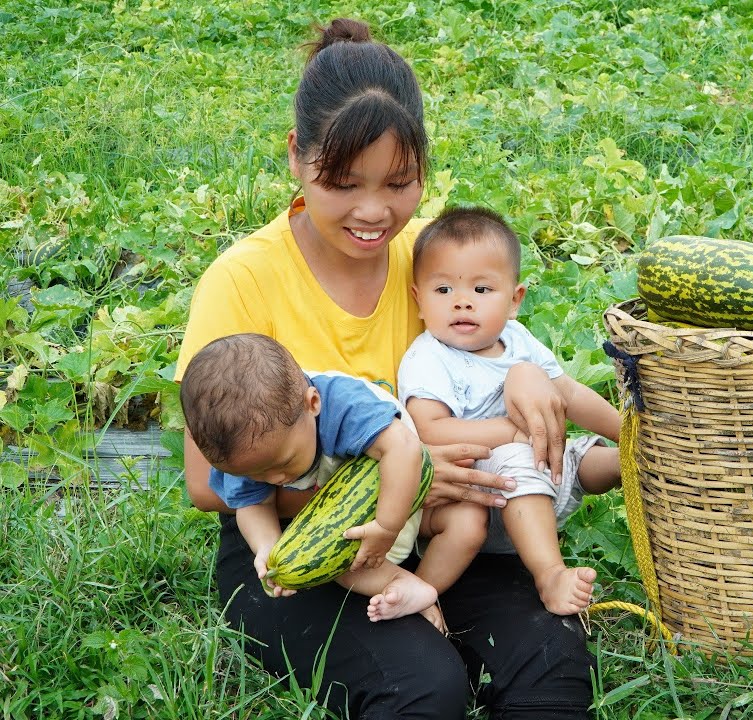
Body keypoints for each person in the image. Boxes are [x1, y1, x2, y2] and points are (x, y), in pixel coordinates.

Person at [175, 18, 593, 719]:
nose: (374, 212)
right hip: (302, 545)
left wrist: (524, 372)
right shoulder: (242, 279)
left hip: (445, 529)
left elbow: (500, 348)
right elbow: (203, 482)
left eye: (399, 183)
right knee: (423, 688)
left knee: (551, 665)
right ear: (296, 160)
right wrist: (400, 469)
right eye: (342, 183)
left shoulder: (428, 270)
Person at [399, 207, 621, 616]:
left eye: (481, 290)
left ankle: (638, 461)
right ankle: (550, 573)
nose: (462, 303)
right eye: (443, 290)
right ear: (419, 300)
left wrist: (628, 432)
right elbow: (429, 430)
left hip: (539, 477)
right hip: (482, 498)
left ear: (514, 300)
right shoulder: (429, 358)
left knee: (589, 456)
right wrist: (512, 434)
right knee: (517, 454)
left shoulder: (517, 339)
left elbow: (567, 393)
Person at [180, 333, 445, 628]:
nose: (276, 479)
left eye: (283, 463)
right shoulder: (250, 449)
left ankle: (415, 577)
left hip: (390, 468)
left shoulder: (345, 408)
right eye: (256, 474)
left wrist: (386, 525)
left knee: (367, 550)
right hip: (339, 481)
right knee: (336, 564)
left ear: (313, 404)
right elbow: (253, 505)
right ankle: (403, 584)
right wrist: (268, 547)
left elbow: (404, 449)